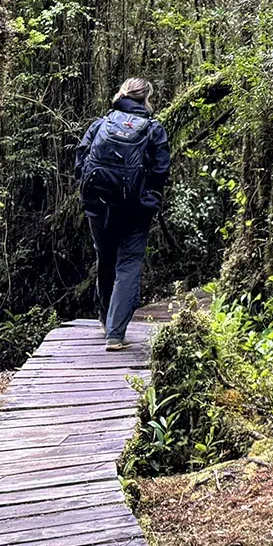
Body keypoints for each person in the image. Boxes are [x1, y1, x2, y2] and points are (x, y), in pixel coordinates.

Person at [75, 77, 172, 349]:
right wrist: (149, 198)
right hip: (135, 209)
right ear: (145, 99)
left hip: (98, 205)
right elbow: (161, 169)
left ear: (122, 94)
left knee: (105, 258)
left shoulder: (101, 124)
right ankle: (115, 334)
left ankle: (106, 320)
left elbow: (81, 161)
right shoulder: (153, 128)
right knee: (128, 264)